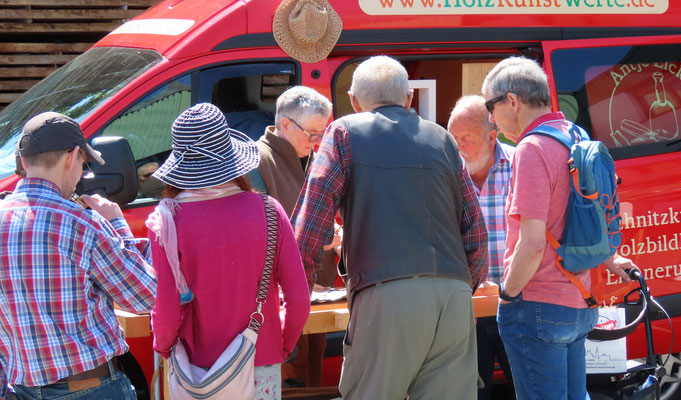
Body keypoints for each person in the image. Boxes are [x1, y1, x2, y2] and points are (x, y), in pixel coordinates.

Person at [292, 55, 488, 399]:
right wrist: (457, 287)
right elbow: (476, 232)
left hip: (386, 293)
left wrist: (297, 297)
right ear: (409, 98)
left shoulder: (343, 133)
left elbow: (309, 227)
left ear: (353, 100)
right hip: (454, 294)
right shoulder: (443, 140)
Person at [482, 56, 636, 400]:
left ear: (512, 101)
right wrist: (610, 258)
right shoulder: (575, 134)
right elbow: (591, 216)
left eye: (491, 106)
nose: (490, 118)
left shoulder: (531, 148)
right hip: (580, 300)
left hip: (537, 303)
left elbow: (533, 243)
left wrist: (508, 294)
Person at [149, 103, 310, 399]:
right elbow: (299, 299)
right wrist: (282, 345)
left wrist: (163, 347)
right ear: (232, 157)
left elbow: (167, 310)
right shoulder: (270, 211)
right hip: (261, 361)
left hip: (198, 371)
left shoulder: (168, 220)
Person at [0, 112, 157, 400]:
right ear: (72, 157)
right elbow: (145, 296)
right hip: (91, 388)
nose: (81, 174)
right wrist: (117, 224)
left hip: (20, 390)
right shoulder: (82, 224)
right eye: (83, 164)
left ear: (23, 161)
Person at [248, 86, 338, 388]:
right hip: (281, 304)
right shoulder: (257, 161)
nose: (316, 144)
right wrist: (322, 240)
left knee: (311, 382)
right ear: (285, 124)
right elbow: (260, 237)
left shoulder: (307, 157)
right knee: (292, 383)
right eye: (311, 134)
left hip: (315, 295)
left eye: (321, 135)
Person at [448, 94, 515, 400]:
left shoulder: (520, 166)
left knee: (525, 390)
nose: (457, 147)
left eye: (466, 138)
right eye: (452, 139)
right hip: (467, 311)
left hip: (517, 305)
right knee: (472, 394)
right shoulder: (444, 177)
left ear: (491, 137)